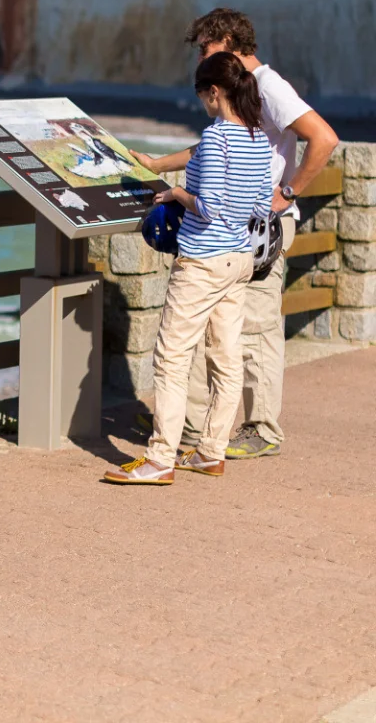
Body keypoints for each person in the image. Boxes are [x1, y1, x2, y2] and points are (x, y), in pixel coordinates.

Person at [131, 9, 339, 459]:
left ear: (227, 40)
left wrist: (287, 193)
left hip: (259, 226)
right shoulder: (239, 91)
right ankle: (192, 428)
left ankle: (262, 428)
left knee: (256, 327)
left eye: (205, 49)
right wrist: (156, 163)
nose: (201, 58)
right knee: (216, 332)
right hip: (236, 227)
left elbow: (323, 138)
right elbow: (214, 144)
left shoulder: (268, 85)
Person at [104, 51, 273, 484]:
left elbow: (209, 206)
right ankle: (211, 452)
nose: (202, 104)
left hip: (203, 262)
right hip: (238, 260)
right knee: (226, 359)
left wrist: (176, 195)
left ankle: (160, 459)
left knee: (171, 358)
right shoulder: (258, 137)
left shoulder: (216, 138)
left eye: (202, 96)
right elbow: (260, 206)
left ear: (214, 92)